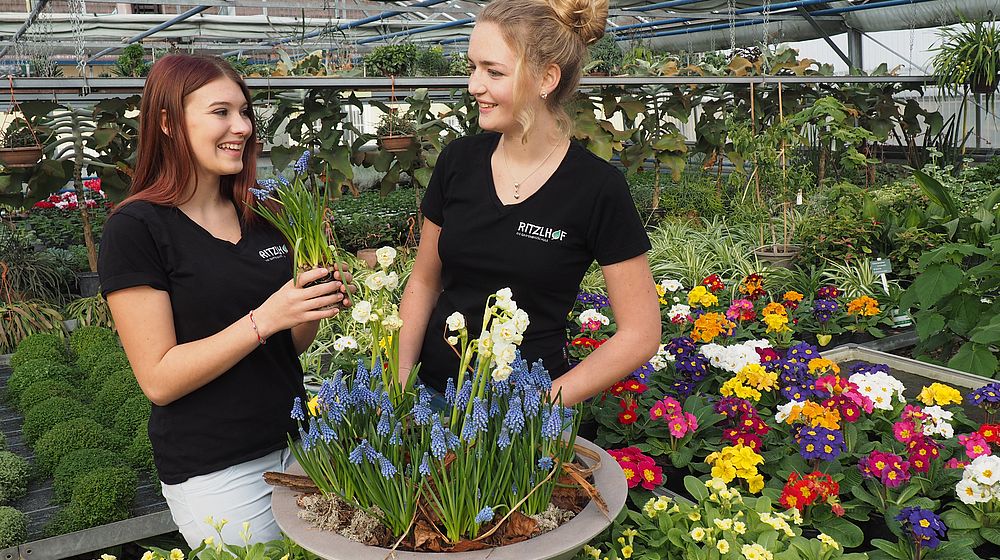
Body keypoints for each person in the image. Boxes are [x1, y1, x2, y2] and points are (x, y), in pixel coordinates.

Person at [98, 54, 350, 547]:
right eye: (221, 112)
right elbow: (159, 378)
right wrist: (266, 316)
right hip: (220, 471)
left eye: (245, 111)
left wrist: (309, 303)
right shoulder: (137, 228)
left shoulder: (262, 215)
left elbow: (287, 346)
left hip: (300, 447)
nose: (242, 126)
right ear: (169, 122)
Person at [398, 0, 661, 406]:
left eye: (493, 71)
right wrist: (400, 379)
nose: (474, 85)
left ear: (546, 78)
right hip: (431, 395)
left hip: (526, 414)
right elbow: (424, 280)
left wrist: (542, 404)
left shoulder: (596, 188)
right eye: (472, 67)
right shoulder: (459, 162)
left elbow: (640, 333)